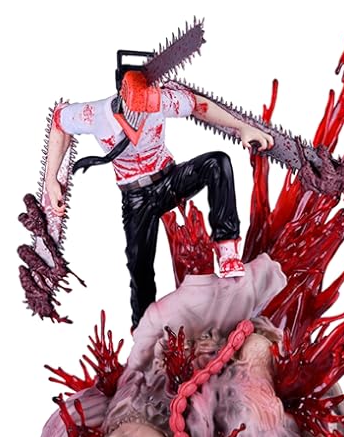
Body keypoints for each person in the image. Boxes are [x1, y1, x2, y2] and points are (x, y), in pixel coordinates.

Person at [44, 79, 273, 329]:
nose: (147, 111)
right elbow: (59, 120)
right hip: (137, 197)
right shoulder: (95, 114)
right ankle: (143, 329)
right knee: (139, 266)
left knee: (217, 163)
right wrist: (51, 179)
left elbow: (199, 105)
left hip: (169, 181)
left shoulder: (160, 100)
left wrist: (241, 127)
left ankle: (227, 250)